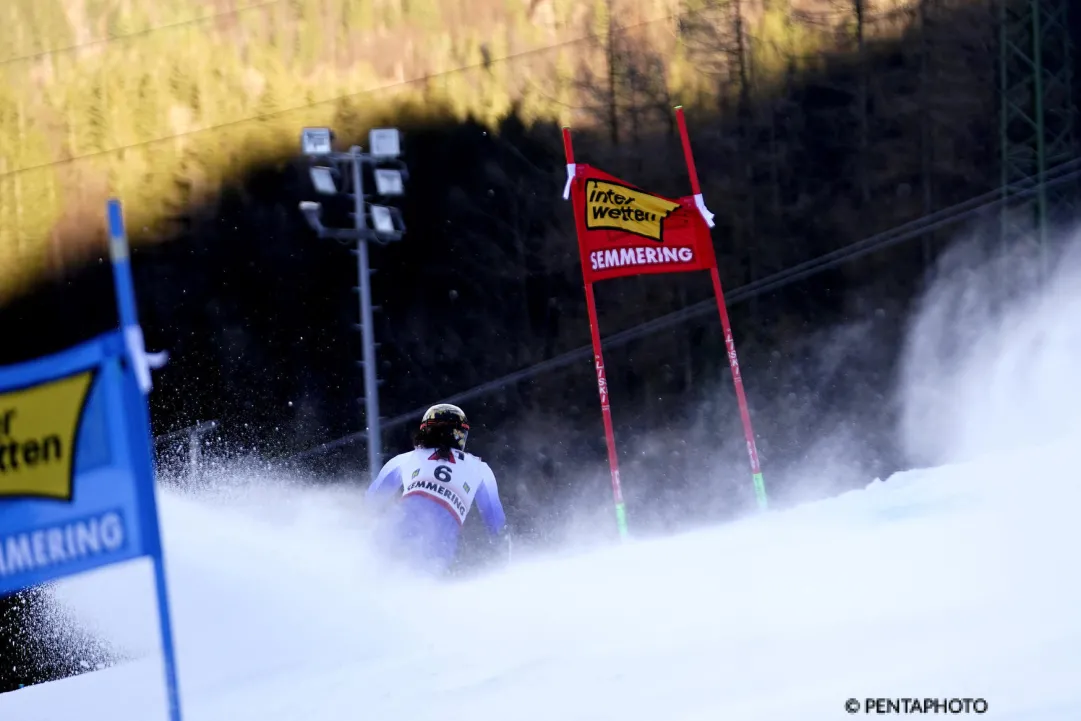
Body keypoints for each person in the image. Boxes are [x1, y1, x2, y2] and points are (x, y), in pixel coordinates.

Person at [365, 403, 509, 575]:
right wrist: (505, 566)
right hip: (440, 543)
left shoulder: (404, 459)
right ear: (461, 435)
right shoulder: (480, 468)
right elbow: (497, 525)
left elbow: (370, 503)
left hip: (397, 526)